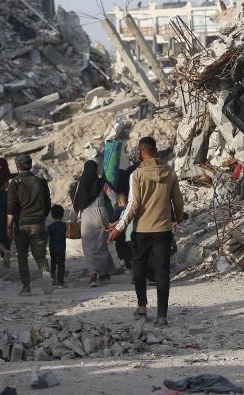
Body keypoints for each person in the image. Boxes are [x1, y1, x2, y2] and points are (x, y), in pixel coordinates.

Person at [107, 136, 184, 326]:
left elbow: (133, 205)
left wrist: (119, 228)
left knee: (139, 267)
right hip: (163, 230)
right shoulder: (169, 172)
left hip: (142, 230)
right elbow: (178, 200)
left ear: (141, 153)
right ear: (155, 151)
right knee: (162, 271)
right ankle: (162, 316)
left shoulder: (137, 175)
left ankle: (142, 307)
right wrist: (177, 219)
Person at [6, 154, 53, 296]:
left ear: (18, 166)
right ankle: (46, 281)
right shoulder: (41, 181)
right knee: (41, 256)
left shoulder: (14, 183)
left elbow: (11, 208)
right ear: (30, 165)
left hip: (22, 226)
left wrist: (9, 227)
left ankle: (26, 287)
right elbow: (47, 204)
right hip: (38, 224)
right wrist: (41, 218)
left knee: (22, 257)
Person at [72, 159, 118, 287]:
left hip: (86, 218)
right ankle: (103, 274)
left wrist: (73, 219)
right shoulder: (102, 183)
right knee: (101, 245)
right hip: (101, 215)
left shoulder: (80, 185)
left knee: (88, 248)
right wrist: (114, 215)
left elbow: (76, 204)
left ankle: (93, 274)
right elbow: (114, 199)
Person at [47, 204, 67, 288]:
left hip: (52, 247)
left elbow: (47, 237)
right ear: (62, 215)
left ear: (52, 215)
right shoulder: (64, 225)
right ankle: (60, 281)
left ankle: (52, 278)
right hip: (62, 247)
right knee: (61, 264)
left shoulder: (50, 227)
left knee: (53, 263)